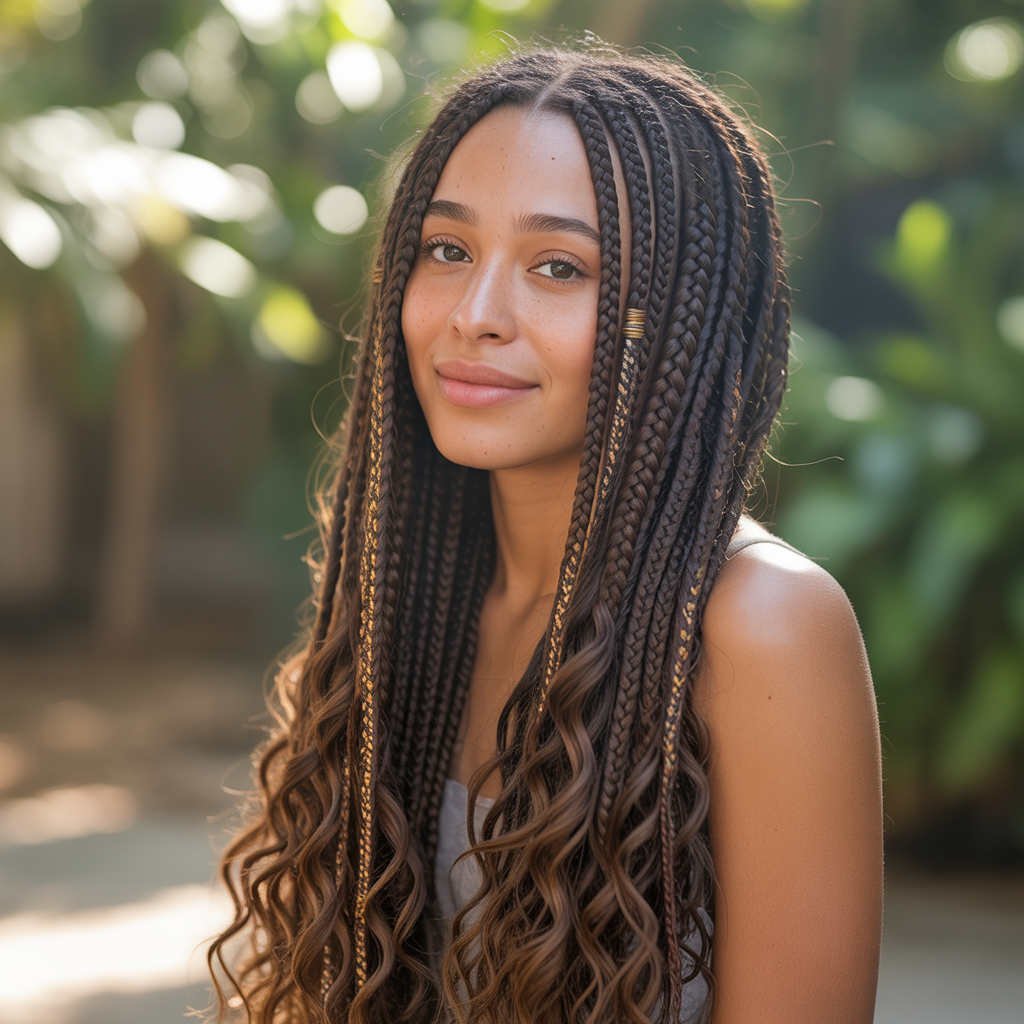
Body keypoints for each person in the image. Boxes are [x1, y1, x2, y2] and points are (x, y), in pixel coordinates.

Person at [209, 42, 883, 1024]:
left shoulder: (761, 622)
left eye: (558, 267)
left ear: (680, 322)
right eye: (447, 250)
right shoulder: (422, 587)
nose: (476, 314)